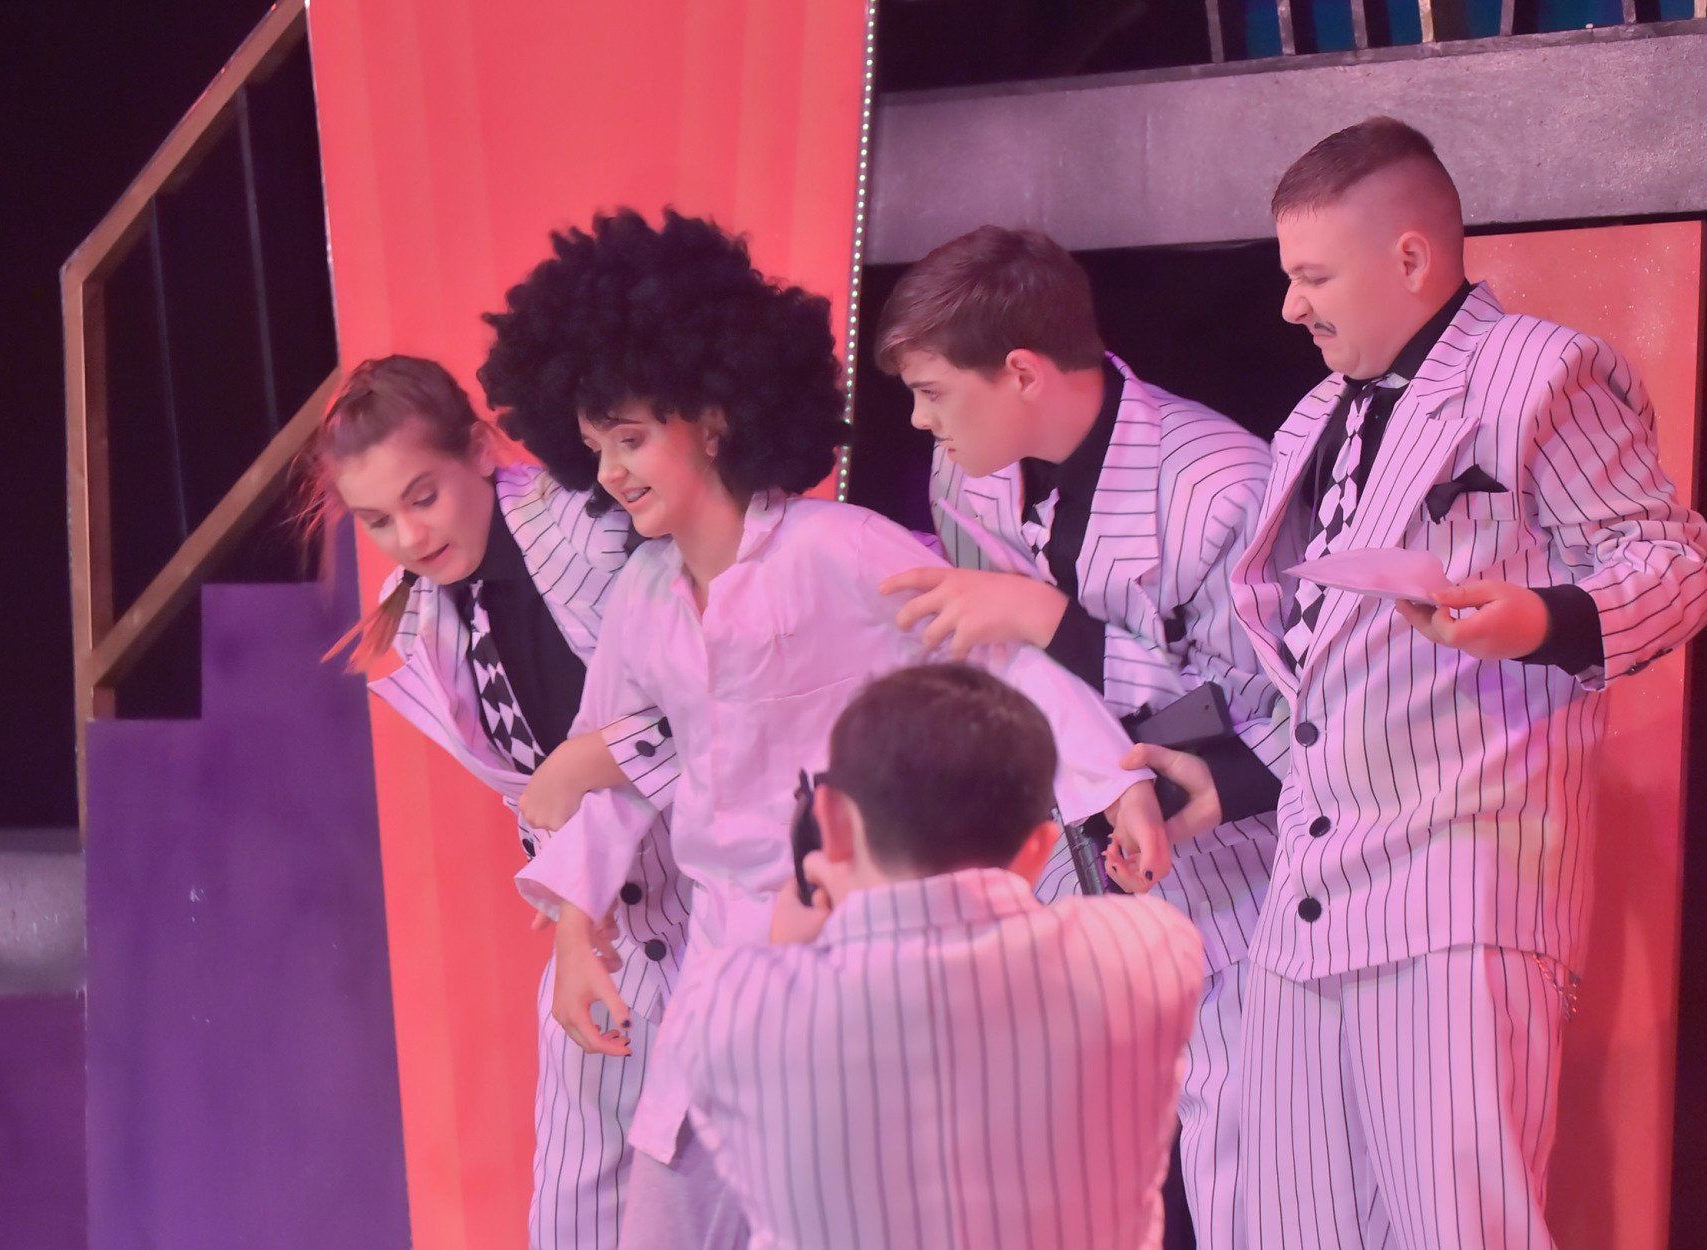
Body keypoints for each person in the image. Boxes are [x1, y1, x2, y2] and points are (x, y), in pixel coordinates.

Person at [477, 208, 1167, 1248]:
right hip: (717, 973)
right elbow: (610, 773)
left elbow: (996, 666)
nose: (612, 471)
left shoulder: (836, 547)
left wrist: (1119, 783)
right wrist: (577, 932)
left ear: (714, 417)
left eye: (631, 438)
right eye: (596, 449)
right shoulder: (643, 599)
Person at [1140, 117, 1707, 1249]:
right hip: (1304, 911)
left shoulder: (1538, 372)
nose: (1290, 307)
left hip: (1457, 894)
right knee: (1285, 1229)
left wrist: (1541, 619)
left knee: (1459, 1228)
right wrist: (1225, 779)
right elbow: (1325, 675)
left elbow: (1674, 565)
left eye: (1313, 277)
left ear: (1409, 258)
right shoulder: (1314, 417)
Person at [873, 225, 1281, 1249]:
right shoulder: (965, 477)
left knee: (1241, 1194)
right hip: (1069, 882)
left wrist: (1047, 618)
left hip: (1237, 891)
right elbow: (1004, 675)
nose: (919, 420)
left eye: (932, 391)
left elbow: (1276, 713)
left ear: (1019, 372)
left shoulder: (1220, 483)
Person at [303, 355, 689, 1249]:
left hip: (726, 900)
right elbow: (538, 792)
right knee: (572, 1209)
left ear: (479, 448)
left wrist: (586, 768)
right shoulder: (425, 614)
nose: (408, 535)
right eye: (377, 520)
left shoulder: (596, 524)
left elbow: (719, 703)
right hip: (611, 931)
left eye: (423, 496)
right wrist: (570, 896)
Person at [678, 663, 1204, 1249]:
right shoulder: (1148, 952)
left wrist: (799, 929)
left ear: (831, 823)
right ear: (1038, 850)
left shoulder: (724, 1004)